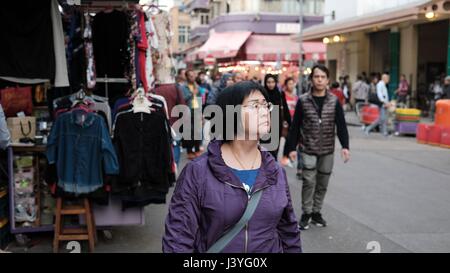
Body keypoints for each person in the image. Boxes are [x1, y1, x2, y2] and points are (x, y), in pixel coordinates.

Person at [163, 81, 301, 253]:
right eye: (255, 106)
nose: (265, 112)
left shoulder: (275, 171)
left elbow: (289, 232)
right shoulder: (199, 171)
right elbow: (178, 238)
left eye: (266, 105)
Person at [284, 64, 350, 230]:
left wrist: (345, 146)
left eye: (322, 77)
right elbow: (295, 126)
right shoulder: (303, 101)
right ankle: (306, 213)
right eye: (316, 77)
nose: (319, 80)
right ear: (311, 79)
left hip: (328, 149)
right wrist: (290, 148)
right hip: (308, 148)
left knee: (322, 183)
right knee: (308, 181)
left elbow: (341, 125)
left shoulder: (334, 101)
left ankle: (316, 212)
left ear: (327, 80)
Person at [263, 74, 290, 161]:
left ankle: (273, 170)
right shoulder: (262, 94)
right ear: (265, 83)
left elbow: (285, 108)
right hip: (264, 125)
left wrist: (290, 123)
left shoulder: (280, 94)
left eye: (272, 82)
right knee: (265, 150)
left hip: (276, 124)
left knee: (274, 150)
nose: (270, 84)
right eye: (268, 82)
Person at [181, 70, 205, 160]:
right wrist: (192, 94)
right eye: (190, 76)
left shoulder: (196, 86)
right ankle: (190, 151)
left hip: (197, 111)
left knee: (198, 131)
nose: (193, 77)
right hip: (188, 111)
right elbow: (183, 99)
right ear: (187, 77)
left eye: (193, 76)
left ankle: (197, 149)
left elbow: (199, 100)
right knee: (188, 132)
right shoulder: (183, 87)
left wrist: (202, 112)